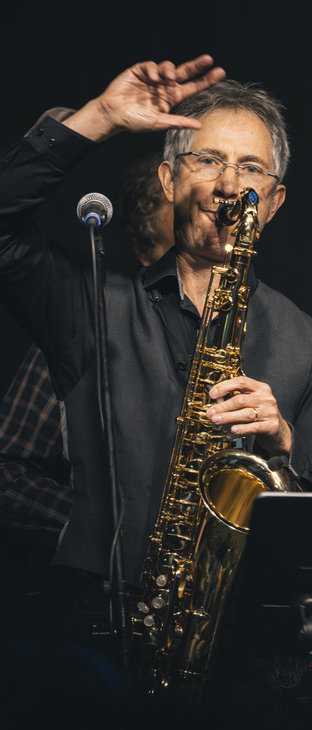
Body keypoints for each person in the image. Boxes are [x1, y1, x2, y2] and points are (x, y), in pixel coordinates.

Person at [0, 57, 312, 655]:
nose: (226, 185)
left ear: (273, 201)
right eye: (207, 160)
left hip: (242, 644)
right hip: (100, 630)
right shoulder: (89, 302)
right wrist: (101, 118)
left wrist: (285, 444)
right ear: (169, 181)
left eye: (250, 168)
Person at [0, 152, 175, 629]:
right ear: (144, 247)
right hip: (95, 618)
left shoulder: (260, 342)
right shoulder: (88, 329)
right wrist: (108, 538)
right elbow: (6, 475)